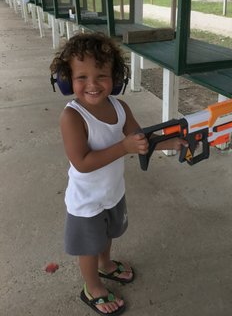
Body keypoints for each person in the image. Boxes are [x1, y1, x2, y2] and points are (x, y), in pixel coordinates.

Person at [50, 32, 187, 315]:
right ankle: (92, 286)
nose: (92, 84)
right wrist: (124, 147)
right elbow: (82, 163)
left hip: (112, 192)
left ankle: (106, 265)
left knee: (108, 234)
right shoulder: (72, 117)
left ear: (115, 77)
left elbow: (141, 139)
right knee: (89, 245)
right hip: (86, 201)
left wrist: (170, 142)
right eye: (81, 77)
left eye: (101, 75)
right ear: (67, 79)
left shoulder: (120, 108)